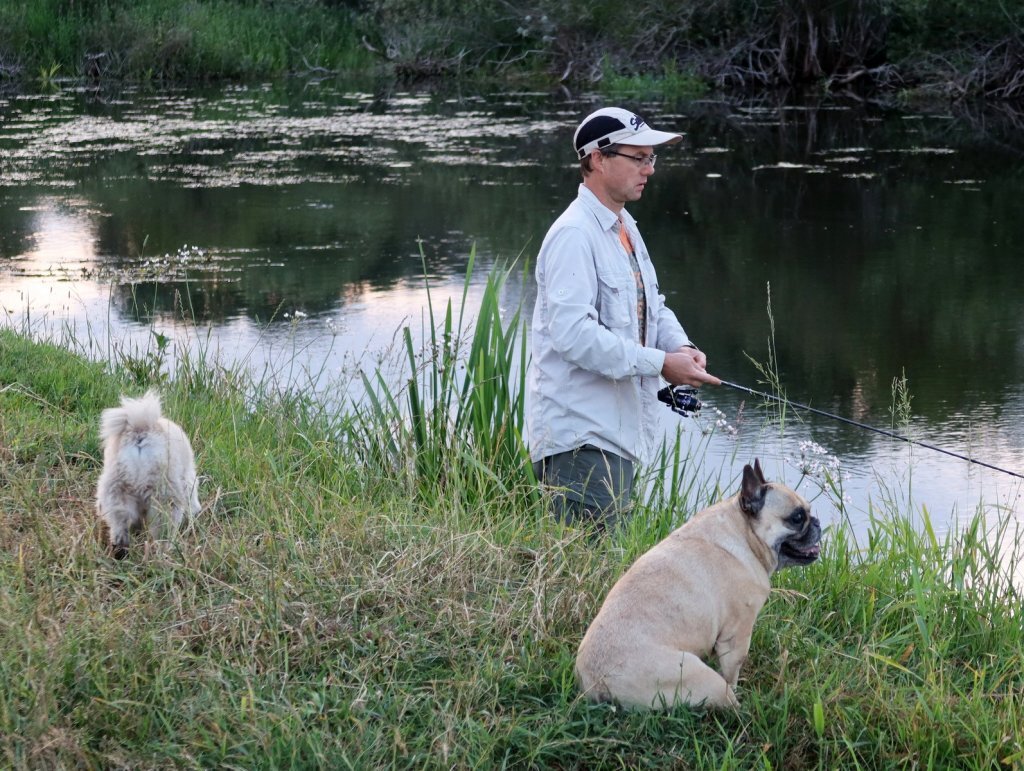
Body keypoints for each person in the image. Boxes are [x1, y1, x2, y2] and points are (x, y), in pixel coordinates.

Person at [527, 106, 720, 532]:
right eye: (638, 158)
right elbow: (573, 336)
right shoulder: (573, 235)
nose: (649, 169)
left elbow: (653, 305)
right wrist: (660, 364)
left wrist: (681, 348)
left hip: (615, 440)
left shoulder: (624, 226)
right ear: (597, 159)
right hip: (580, 443)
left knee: (601, 577)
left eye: (652, 158)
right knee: (588, 581)